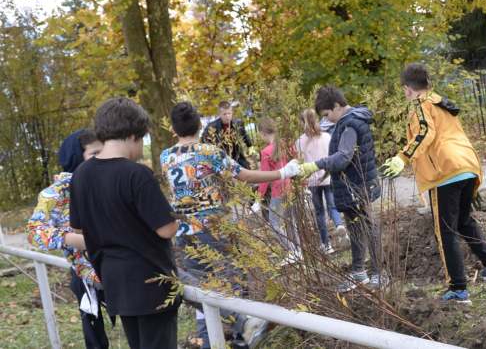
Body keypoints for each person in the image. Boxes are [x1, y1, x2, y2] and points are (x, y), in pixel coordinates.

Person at [160, 102, 300, 349]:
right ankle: (243, 333)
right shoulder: (209, 152)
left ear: (173, 128)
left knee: (202, 290)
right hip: (213, 228)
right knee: (234, 280)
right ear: (199, 124)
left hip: (184, 233)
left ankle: (209, 342)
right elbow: (244, 175)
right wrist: (282, 173)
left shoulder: (165, 156)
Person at [381, 63, 486, 305]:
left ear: (408, 89)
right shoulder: (440, 102)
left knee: (446, 231)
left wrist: (402, 157)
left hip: (445, 172)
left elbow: (424, 133)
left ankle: (458, 289)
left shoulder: (421, 105)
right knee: (464, 221)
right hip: (466, 165)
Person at [69, 97, 181, 349]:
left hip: (114, 281)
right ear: (132, 136)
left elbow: (78, 227)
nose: (141, 148)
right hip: (151, 282)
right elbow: (167, 229)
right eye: (142, 140)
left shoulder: (81, 175)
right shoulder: (137, 174)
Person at [297, 86, 383, 292]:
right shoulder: (345, 122)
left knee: (367, 226)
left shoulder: (350, 124)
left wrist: (316, 165)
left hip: (357, 185)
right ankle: (359, 273)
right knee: (354, 227)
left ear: (337, 106)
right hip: (351, 185)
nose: (326, 120)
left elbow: (344, 156)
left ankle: (380, 274)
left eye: (327, 114)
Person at [28, 129, 107, 349]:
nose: (101, 158)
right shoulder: (56, 192)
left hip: (118, 267)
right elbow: (34, 232)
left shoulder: (108, 180)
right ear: (76, 157)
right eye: (94, 154)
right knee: (95, 338)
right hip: (84, 274)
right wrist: (75, 239)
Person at [295, 108, 346, 253]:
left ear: (302, 123)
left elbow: (300, 162)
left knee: (319, 212)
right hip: (328, 176)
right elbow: (333, 155)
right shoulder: (326, 136)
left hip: (312, 180)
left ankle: (326, 244)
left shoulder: (299, 142)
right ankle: (338, 224)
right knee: (332, 205)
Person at [258, 116, 302, 261]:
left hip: (277, 191)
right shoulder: (286, 144)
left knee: (274, 223)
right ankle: (298, 250)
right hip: (290, 187)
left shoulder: (266, 152)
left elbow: (264, 177)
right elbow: (297, 161)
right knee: (291, 221)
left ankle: (292, 250)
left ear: (263, 133)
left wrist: (258, 197)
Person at [202, 100, 253, 169]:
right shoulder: (211, 127)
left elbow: (244, 135)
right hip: (221, 158)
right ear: (220, 114)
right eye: (224, 114)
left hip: (237, 156)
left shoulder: (238, 123)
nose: (227, 116)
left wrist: (250, 147)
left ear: (232, 113)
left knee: (247, 170)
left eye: (229, 113)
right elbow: (204, 143)